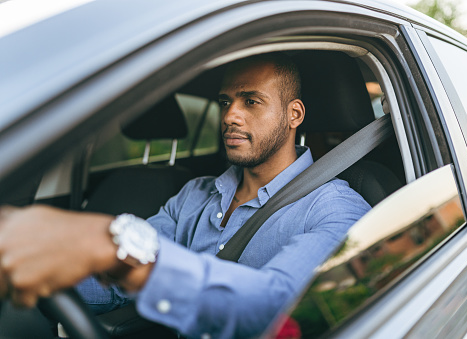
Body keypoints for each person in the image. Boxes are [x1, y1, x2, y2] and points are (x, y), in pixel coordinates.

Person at [0, 53, 370, 338]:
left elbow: (275, 306)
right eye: (225, 102)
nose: (230, 117)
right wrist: (38, 270)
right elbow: (114, 287)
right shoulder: (195, 195)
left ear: (294, 115)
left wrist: (112, 248)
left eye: (251, 101)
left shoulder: (336, 210)